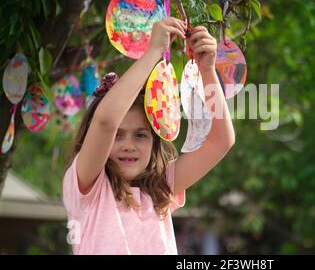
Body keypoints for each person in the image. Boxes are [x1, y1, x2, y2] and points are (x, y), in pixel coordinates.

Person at [62, 17, 235, 254]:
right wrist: (153, 52)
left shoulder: (160, 189)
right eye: (118, 135)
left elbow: (221, 141)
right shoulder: (89, 187)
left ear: (155, 141)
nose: (128, 145)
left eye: (140, 135)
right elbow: (105, 122)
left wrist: (207, 71)